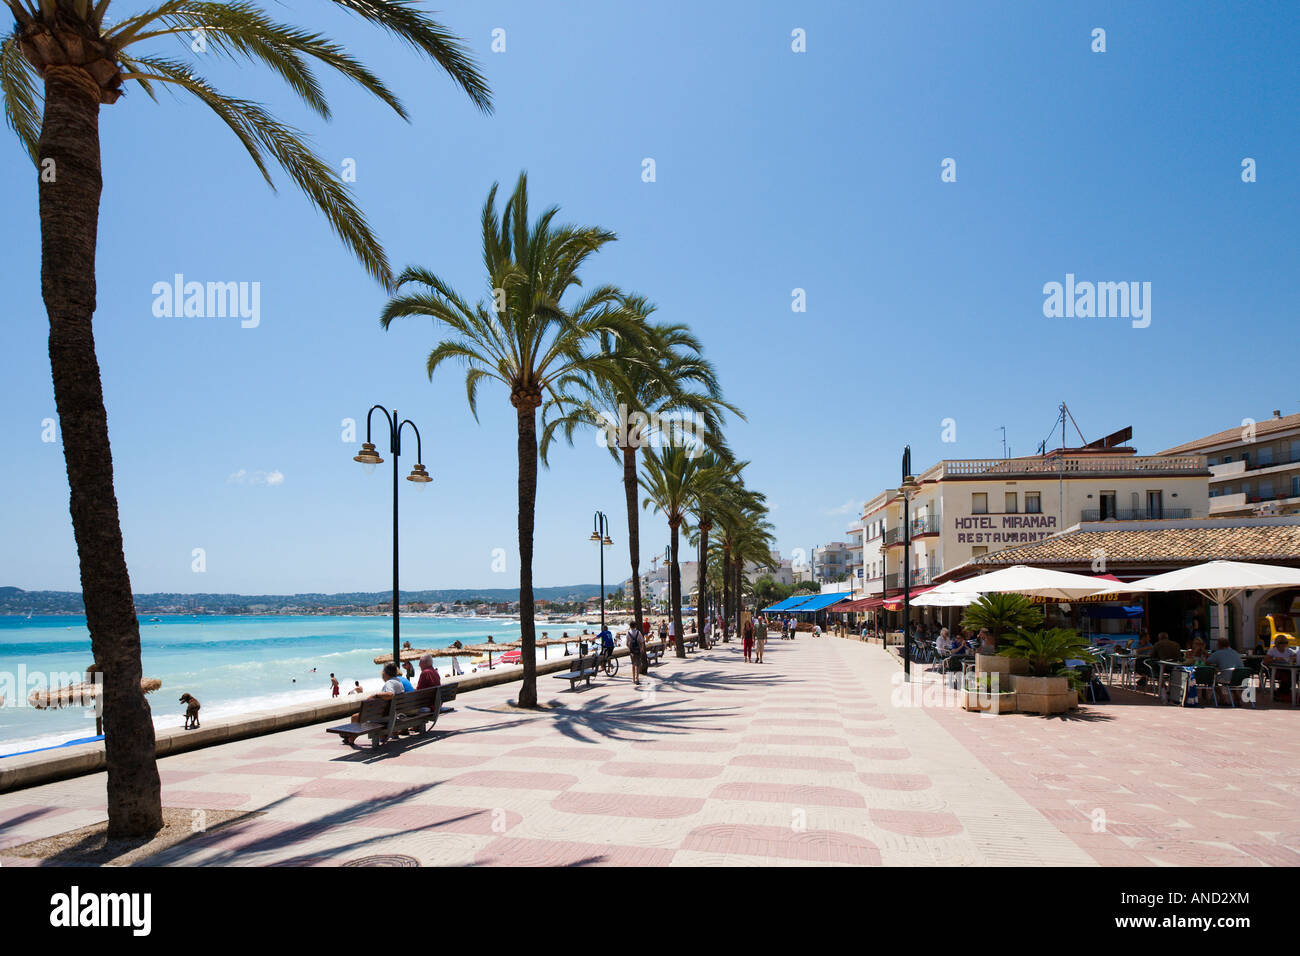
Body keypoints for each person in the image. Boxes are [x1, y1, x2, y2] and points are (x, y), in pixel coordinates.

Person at [341, 663, 407, 744]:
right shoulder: (399, 682)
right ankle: (348, 736)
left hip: (386, 717)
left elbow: (390, 694)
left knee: (355, 717)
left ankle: (350, 739)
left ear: (385, 673)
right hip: (393, 714)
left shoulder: (390, 683)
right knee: (362, 716)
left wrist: (375, 695)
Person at [627, 619, 645, 686]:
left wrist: (630, 648)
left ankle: (633, 679)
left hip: (632, 651)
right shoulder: (638, 632)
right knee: (637, 664)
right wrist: (642, 649)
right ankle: (637, 678)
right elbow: (642, 641)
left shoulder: (628, 633)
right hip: (638, 650)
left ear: (630, 626)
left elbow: (627, 643)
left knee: (633, 664)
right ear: (635, 626)